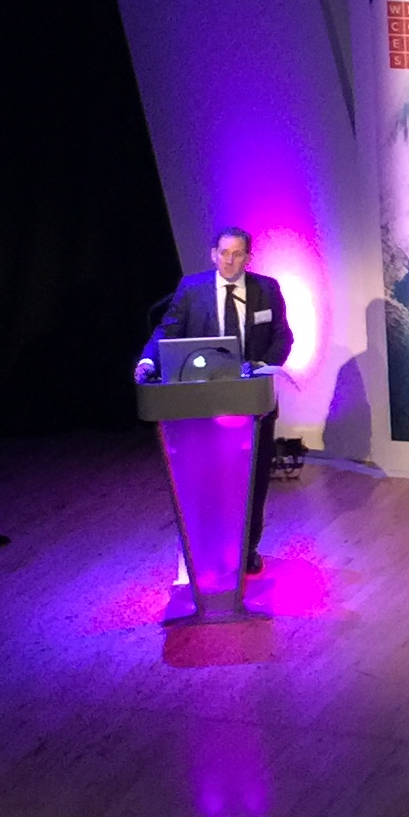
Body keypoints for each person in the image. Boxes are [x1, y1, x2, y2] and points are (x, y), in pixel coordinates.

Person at [137, 226, 287, 570]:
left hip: (254, 403)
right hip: (204, 404)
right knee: (209, 478)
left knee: (253, 481)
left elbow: (283, 337)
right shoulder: (192, 289)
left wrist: (262, 365)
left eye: (237, 254)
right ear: (213, 254)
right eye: (224, 253)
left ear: (248, 257)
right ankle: (210, 549)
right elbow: (167, 331)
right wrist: (147, 360)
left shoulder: (267, 289)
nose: (229, 260)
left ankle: (247, 550)